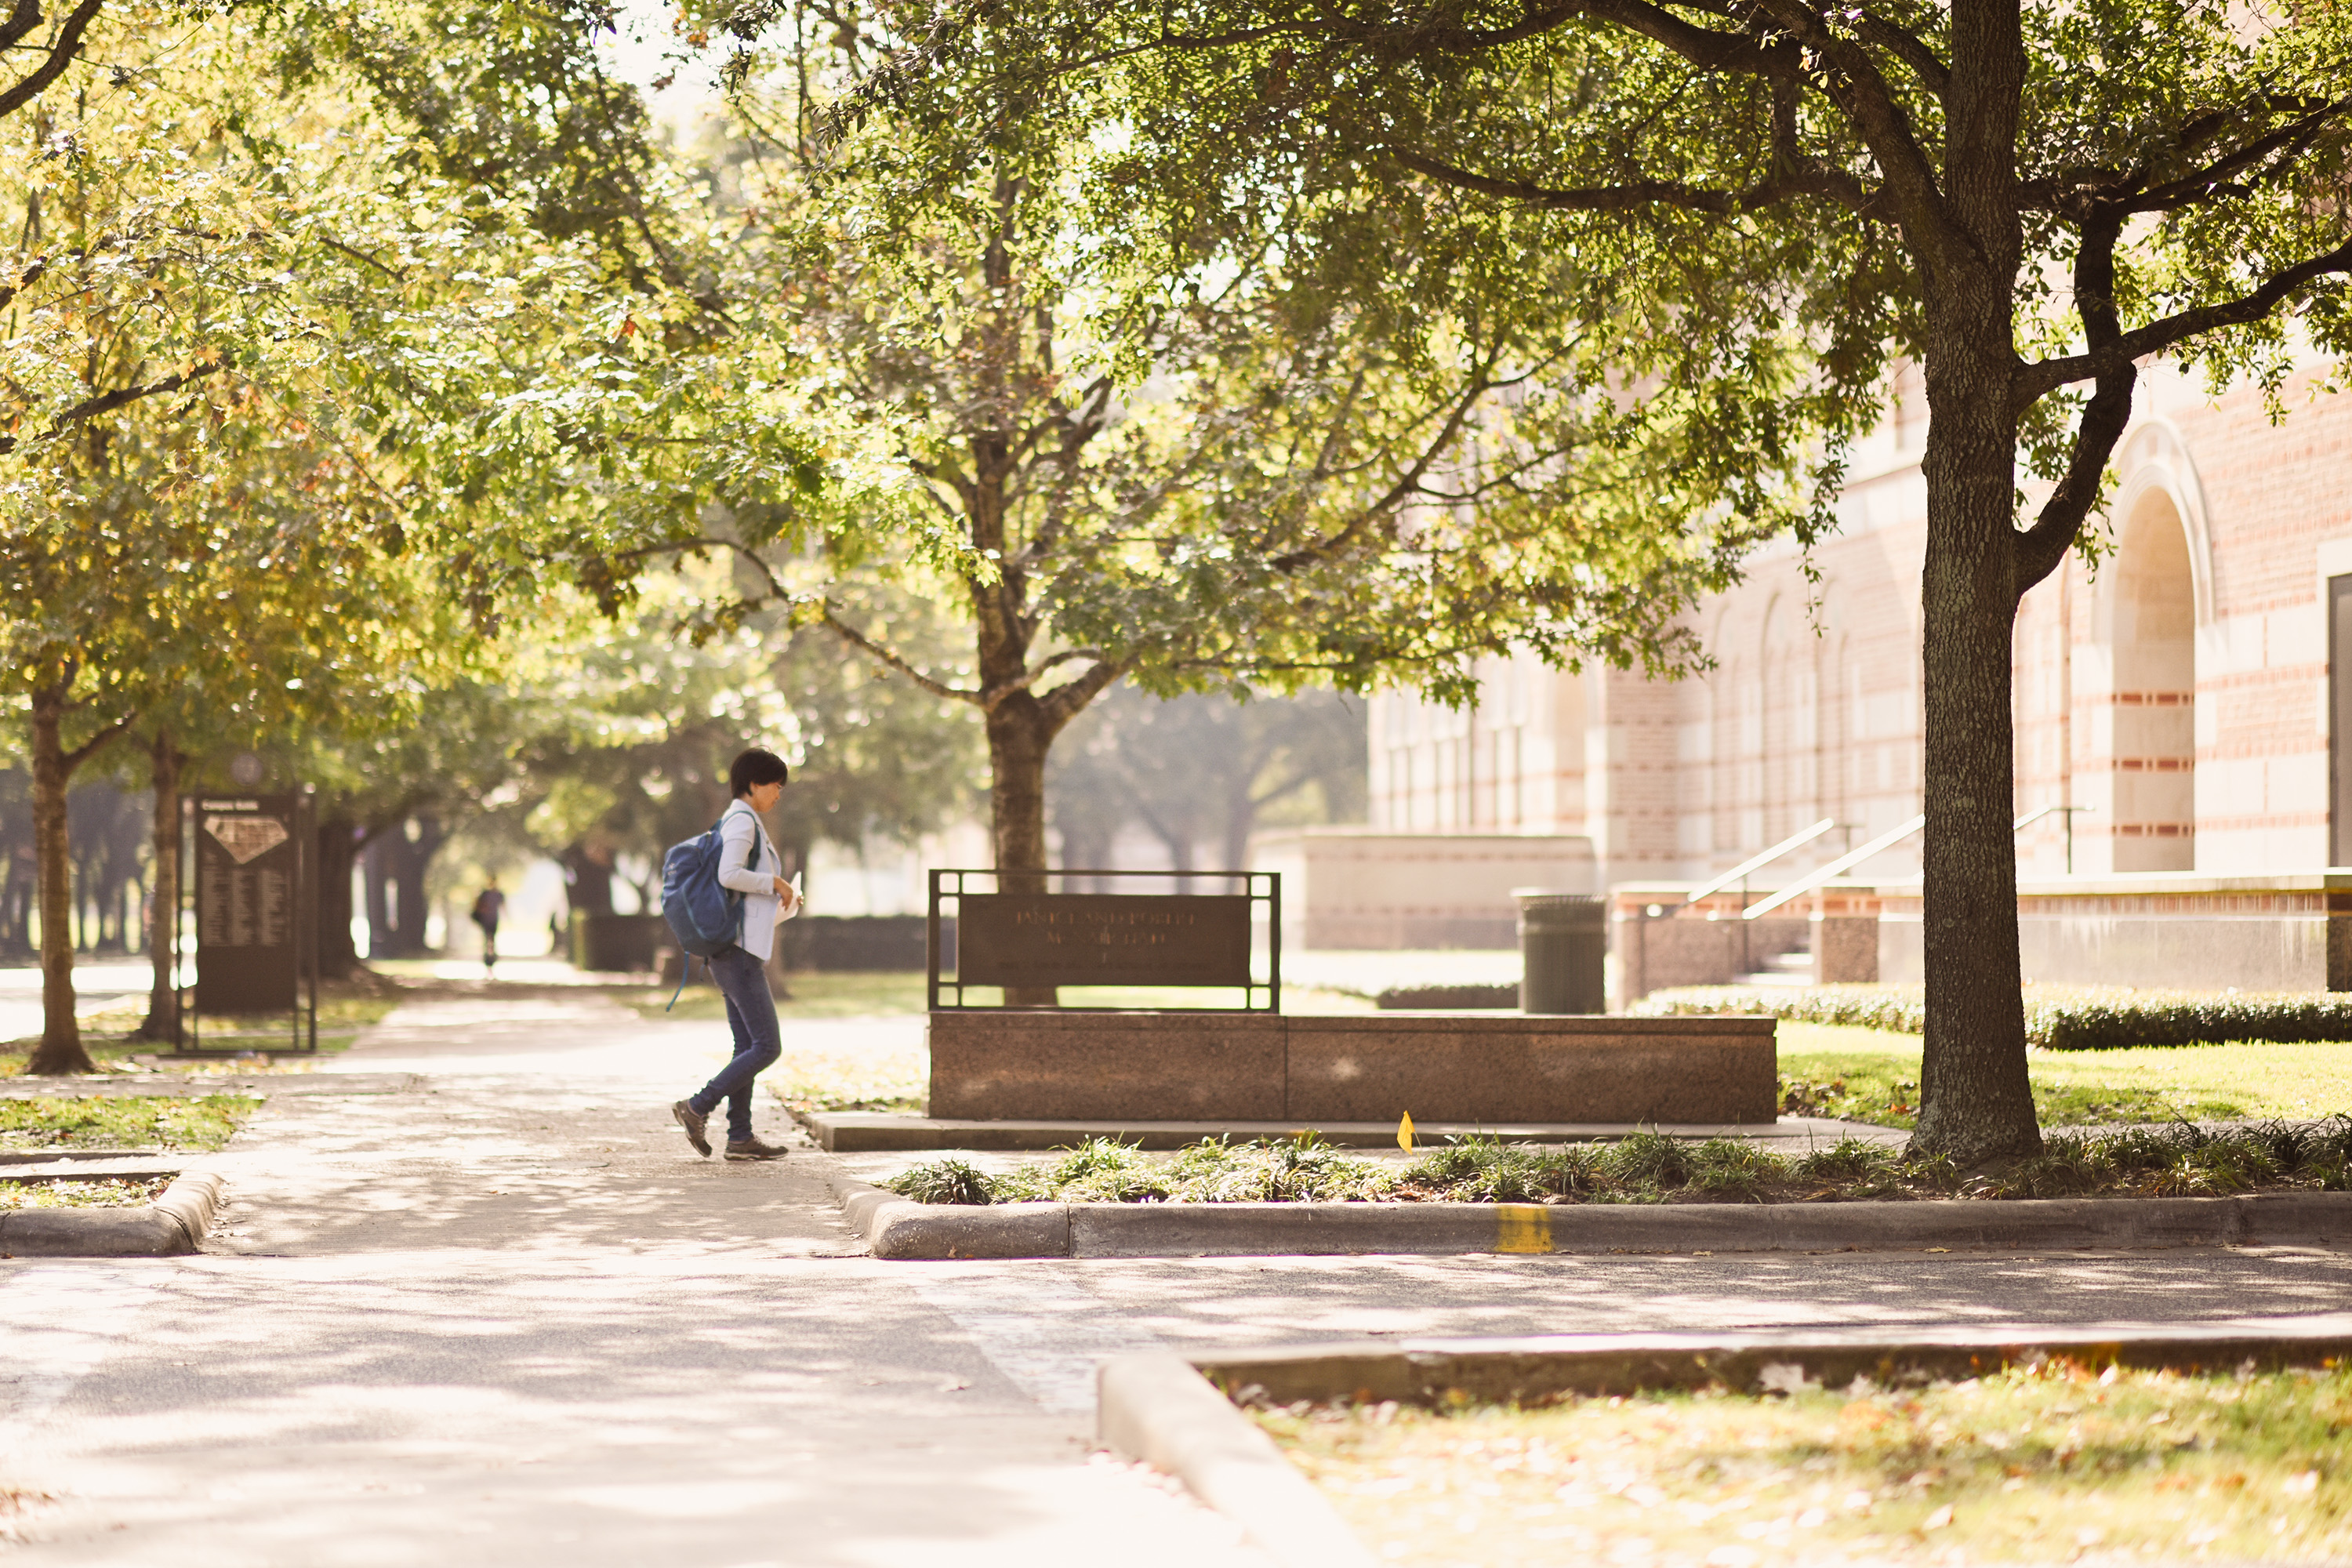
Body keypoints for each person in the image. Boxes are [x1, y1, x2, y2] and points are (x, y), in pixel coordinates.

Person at [672, 748, 801, 1160]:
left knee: (746, 1044)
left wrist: (783, 896)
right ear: (756, 784)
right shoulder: (743, 821)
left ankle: (740, 1138)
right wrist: (775, 882)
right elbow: (728, 874)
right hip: (738, 954)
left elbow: (737, 890)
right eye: (776, 786)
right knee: (766, 1046)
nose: (778, 795)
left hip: (733, 951)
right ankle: (697, 1106)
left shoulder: (739, 820)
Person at [470, 878, 506, 976]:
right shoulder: (486, 894)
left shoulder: (498, 894)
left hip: (493, 921)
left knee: (491, 941)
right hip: (487, 921)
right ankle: (488, 961)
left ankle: (491, 961)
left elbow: (503, 907)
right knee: (487, 941)